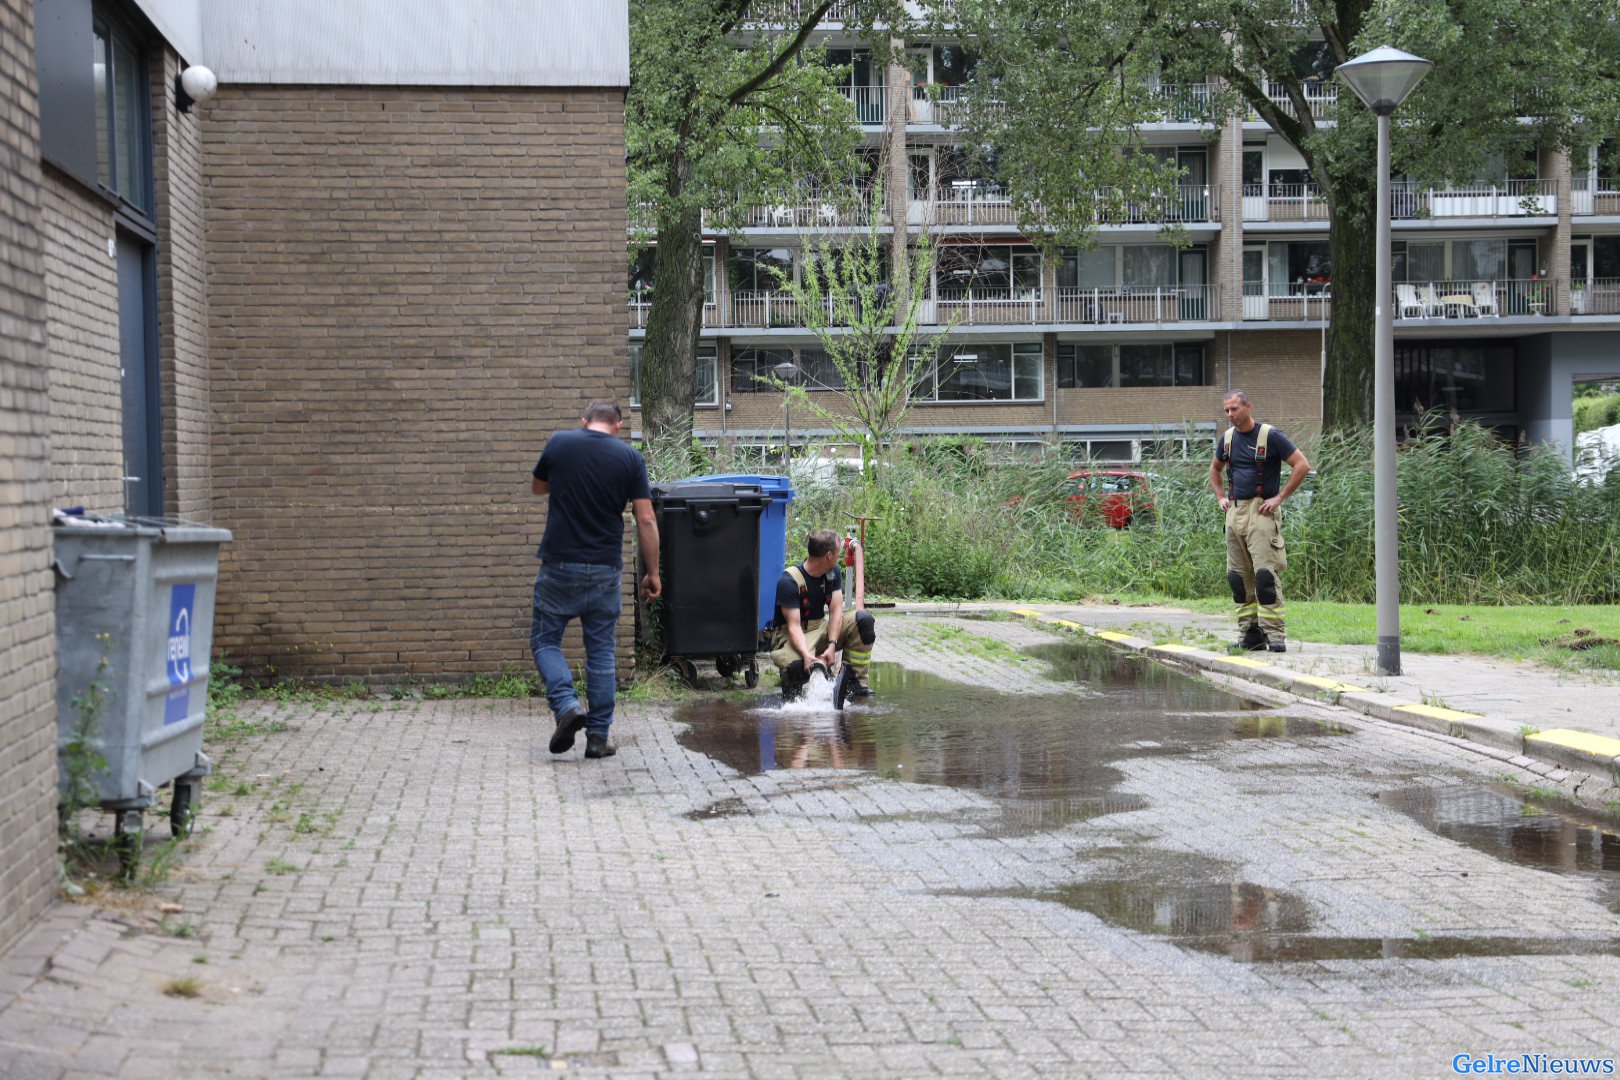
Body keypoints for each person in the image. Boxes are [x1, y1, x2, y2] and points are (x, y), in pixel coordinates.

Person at [530, 400, 660, 760]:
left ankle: (567, 705)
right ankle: (599, 738)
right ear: (618, 426)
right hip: (605, 568)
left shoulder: (559, 442)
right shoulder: (630, 459)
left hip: (559, 565)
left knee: (545, 642)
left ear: (584, 421)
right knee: (601, 654)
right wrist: (652, 572)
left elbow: (538, 488)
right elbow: (646, 520)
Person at [1208, 390, 1311, 653]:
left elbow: (1302, 465)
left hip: (1262, 513)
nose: (1230, 415)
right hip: (1235, 513)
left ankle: (1275, 635)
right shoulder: (1228, 439)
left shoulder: (1270, 436)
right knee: (1238, 578)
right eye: (1227, 411)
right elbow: (1215, 468)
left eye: (1234, 409)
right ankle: (1250, 635)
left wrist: (1279, 498)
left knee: (1265, 576)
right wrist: (1220, 496)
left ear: (1248, 407)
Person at [770, 529, 876, 702]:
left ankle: (854, 684)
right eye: (838, 553)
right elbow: (793, 626)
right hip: (793, 633)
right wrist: (806, 656)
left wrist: (832, 645)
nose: (839, 557)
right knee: (798, 668)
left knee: (862, 620)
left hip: (820, 626)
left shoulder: (833, 573)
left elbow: (835, 611)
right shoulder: (788, 581)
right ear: (829, 555)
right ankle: (792, 691)